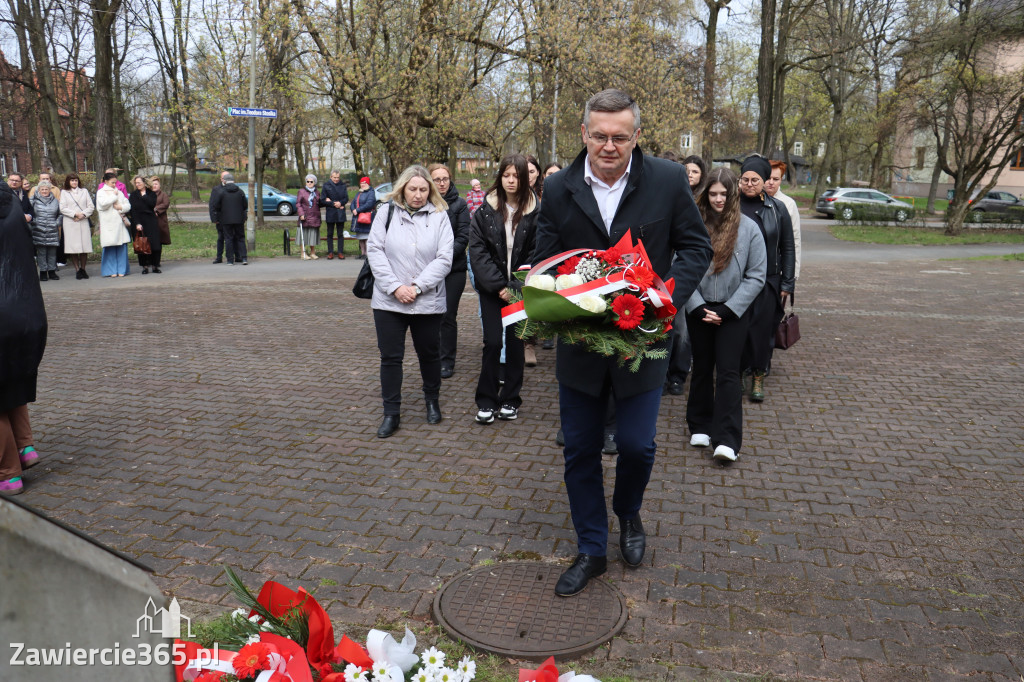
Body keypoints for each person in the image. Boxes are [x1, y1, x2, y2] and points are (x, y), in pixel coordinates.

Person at [534, 89, 712, 597]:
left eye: (619, 137)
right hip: (582, 344)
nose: (609, 146)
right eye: (599, 136)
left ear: (637, 136)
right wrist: (550, 291)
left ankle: (628, 512)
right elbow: (545, 257)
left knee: (637, 445)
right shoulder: (558, 188)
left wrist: (665, 297)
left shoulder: (668, 179)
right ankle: (591, 548)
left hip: (644, 339)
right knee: (580, 451)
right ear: (583, 135)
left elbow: (695, 247)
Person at [685, 168, 766, 464]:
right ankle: (700, 425)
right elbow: (682, 267)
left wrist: (729, 309)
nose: (719, 199)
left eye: (724, 194)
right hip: (699, 309)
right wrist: (696, 305)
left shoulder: (749, 228)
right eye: (713, 193)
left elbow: (757, 276)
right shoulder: (694, 226)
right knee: (703, 367)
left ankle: (727, 439)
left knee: (729, 372)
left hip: (734, 312)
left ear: (733, 195)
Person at [367, 165, 454, 438]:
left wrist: (416, 287)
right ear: (403, 188)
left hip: (426, 300)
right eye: (413, 189)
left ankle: (432, 401)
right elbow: (375, 250)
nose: (418, 195)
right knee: (391, 358)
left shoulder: (440, 216)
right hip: (388, 301)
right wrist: (395, 288)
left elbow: (444, 258)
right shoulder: (386, 212)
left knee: (429, 354)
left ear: (431, 190)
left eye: (423, 189)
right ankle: (391, 413)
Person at [468, 154, 538, 425]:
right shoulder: (484, 211)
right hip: (491, 290)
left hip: (520, 290)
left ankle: (511, 399)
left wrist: (515, 287)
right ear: (500, 177)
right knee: (493, 343)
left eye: (517, 176)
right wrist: (498, 286)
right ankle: (486, 400)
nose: (511, 180)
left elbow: (537, 252)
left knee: (516, 342)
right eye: (506, 175)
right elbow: (478, 251)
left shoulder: (535, 211)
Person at [0, 181, 47, 495]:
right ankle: (25, 448)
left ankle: (8, 472)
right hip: (25, 309)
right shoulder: (11, 201)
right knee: (11, 379)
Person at [738, 155, 795, 403]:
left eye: (755, 180)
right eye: (745, 180)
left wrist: (787, 282)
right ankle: (738, 371)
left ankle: (758, 375)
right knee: (738, 329)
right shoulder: (731, 205)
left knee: (762, 331)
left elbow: (788, 248)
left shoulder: (777, 209)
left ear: (764, 182)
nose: (750, 184)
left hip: (768, 280)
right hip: (736, 279)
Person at [665, 155, 709, 395]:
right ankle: (662, 373)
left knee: (682, 329)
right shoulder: (668, 196)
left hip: (688, 273)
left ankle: (678, 374)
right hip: (666, 271)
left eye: (695, 171)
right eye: (687, 170)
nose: (690, 175)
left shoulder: (704, 202)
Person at [428, 164, 471, 379]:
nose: (442, 183)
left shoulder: (459, 205)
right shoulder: (424, 203)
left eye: (445, 179)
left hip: (453, 269)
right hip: (427, 270)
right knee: (429, 315)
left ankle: (447, 361)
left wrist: (442, 260)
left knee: (447, 314)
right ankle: (431, 357)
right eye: (437, 179)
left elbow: (463, 237)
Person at [765, 160, 801, 281]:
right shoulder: (753, 201)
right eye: (767, 178)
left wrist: (792, 274)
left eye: (775, 179)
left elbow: (795, 240)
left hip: (778, 269)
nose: (771, 183)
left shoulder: (789, 204)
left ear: (781, 180)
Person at [59, 173, 95, 280]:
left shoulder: (84, 191)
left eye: (76, 180)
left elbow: (91, 206)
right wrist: (75, 214)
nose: (74, 182)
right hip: (71, 222)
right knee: (73, 248)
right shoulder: (64, 192)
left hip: (83, 221)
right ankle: (77, 270)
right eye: (72, 181)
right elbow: (62, 208)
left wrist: (83, 214)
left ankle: (83, 269)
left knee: (84, 247)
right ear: (68, 182)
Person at [96, 171, 131, 277]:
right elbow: (102, 205)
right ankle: (110, 270)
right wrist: (114, 197)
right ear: (106, 182)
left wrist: (121, 207)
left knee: (121, 247)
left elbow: (127, 204)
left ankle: (122, 269)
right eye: (112, 182)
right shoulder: (101, 192)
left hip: (119, 224)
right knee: (110, 247)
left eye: (115, 182)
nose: (114, 185)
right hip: (108, 223)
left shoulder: (118, 192)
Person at [213, 173, 249, 265]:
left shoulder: (221, 192)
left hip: (226, 219)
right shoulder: (240, 191)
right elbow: (245, 205)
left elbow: (216, 205)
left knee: (228, 239)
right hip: (239, 219)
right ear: (233, 181)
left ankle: (230, 260)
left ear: (224, 181)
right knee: (241, 238)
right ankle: (244, 258)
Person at [128, 176, 161, 274]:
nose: (137, 184)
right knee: (142, 244)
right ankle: (145, 266)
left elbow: (152, 204)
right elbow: (133, 210)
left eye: (139, 182)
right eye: (136, 183)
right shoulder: (133, 195)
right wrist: (137, 223)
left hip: (151, 221)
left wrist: (144, 196)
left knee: (155, 245)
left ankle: (155, 265)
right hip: (138, 221)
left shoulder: (151, 194)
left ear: (144, 183)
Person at [30, 181, 61, 281]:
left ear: (49, 190)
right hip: (39, 229)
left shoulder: (55, 201)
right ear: (39, 190)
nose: (44, 191)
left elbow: (60, 214)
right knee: (42, 252)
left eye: (46, 189)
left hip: (52, 229)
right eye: (42, 189)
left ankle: (52, 272)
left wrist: (57, 223)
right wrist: (35, 222)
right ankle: (43, 272)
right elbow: (29, 213)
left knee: (52, 252)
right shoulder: (33, 200)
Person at [322, 170, 349, 260]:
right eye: (334, 177)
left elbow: (346, 198)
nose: (336, 179)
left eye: (338, 177)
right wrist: (333, 203)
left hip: (340, 212)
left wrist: (340, 203)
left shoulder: (343, 185)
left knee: (340, 234)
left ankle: (340, 252)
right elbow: (322, 200)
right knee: (330, 233)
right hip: (330, 212)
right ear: (331, 177)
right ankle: (330, 252)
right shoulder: (326, 186)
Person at [351, 177, 376, 259]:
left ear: (368, 184)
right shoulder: (359, 193)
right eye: (361, 183)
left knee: (366, 237)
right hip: (359, 218)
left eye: (364, 183)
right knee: (361, 237)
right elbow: (353, 203)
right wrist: (353, 209)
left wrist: (357, 210)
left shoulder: (371, 193)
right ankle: (362, 253)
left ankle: (368, 255)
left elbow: (369, 204)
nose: (363, 185)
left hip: (367, 217)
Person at [209, 170, 230, 263]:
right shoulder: (216, 189)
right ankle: (219, 257)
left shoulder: (233, 188)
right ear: (221, 179)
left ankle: (232, 256)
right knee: (221, 238)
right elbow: (212, 204)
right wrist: (214, 218)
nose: (225, 179)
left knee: (231, 238)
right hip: (220, 219)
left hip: (230, 218)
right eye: (223, 177)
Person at [151, 177, 172, 249]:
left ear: (159, 185)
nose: (154, 186)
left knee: (159, 240)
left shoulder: (163, 195)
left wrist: (156, 209)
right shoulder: (148, 195)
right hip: (150, 220)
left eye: (156, 184)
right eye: (153, 184)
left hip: (160, 221)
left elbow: (165, 204)